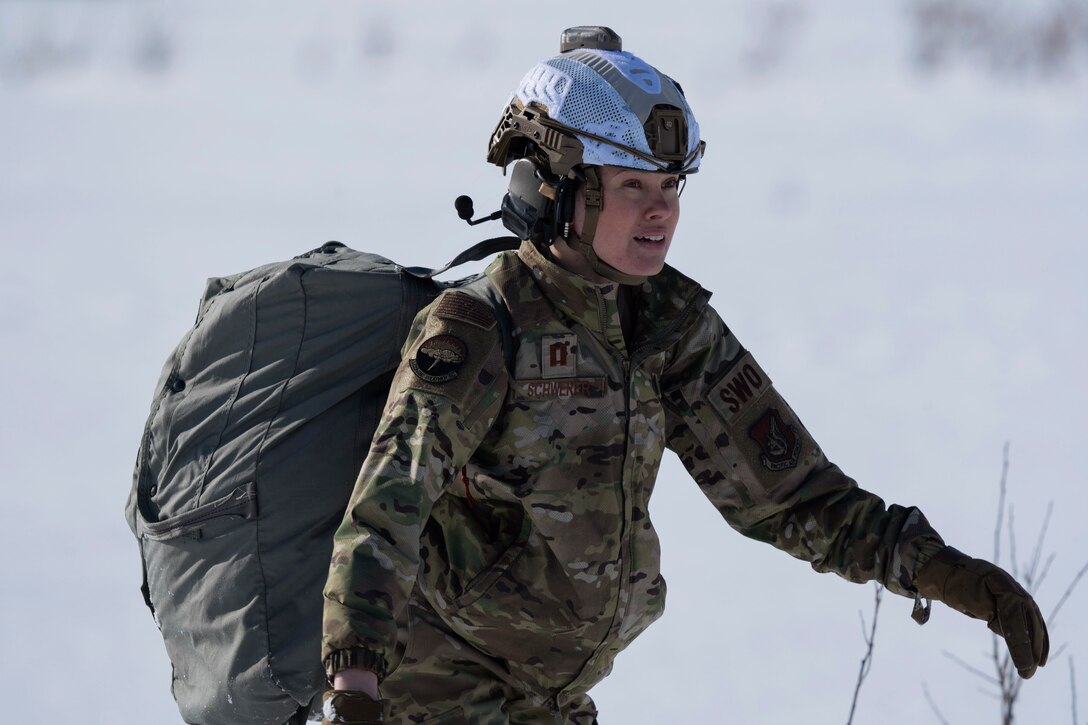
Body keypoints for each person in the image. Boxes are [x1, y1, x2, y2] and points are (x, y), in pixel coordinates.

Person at [320, 26, 1048, 725]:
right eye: (632, 184)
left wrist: (941, 571)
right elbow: (387, 512)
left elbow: (790, 494)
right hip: (434, 691)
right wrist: (355, 687)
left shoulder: (671, 327)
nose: (661, 210)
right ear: (559, 189)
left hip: (552, 698)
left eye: (672, 184)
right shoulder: (482, 326)